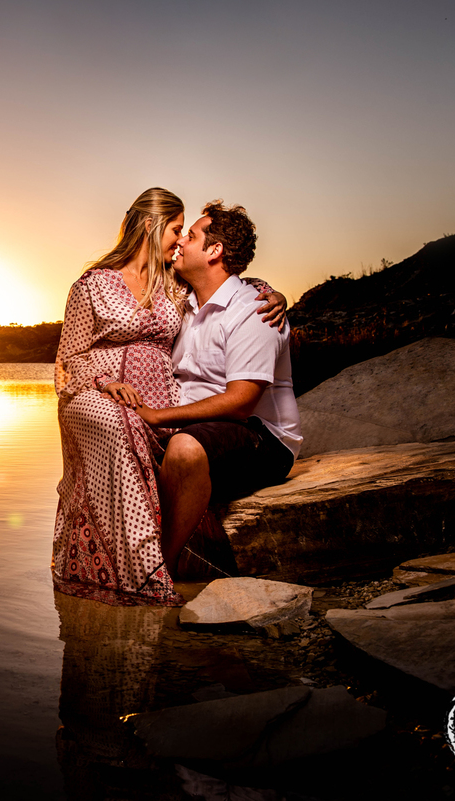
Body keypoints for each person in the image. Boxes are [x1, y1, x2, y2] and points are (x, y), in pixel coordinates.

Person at [53, 189, 285, 606]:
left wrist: (271, 292)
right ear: (150, 225)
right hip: (95, 392)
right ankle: (138, 572)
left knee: (157, 434)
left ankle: (155, 561)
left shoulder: (172, 282)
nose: (180, 240)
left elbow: (226, 279)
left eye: (186, 233)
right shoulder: (92, 285)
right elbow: (68, 360)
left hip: (164, 403)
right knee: (120, 423)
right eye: (177, 229)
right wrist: (105, 382)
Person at [135, 201, 302, 583]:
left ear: (215, 250)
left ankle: (164, 571)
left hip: (262, 438)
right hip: (203, 428)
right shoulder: (183, 304)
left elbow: (241, 402)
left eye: (190, 236)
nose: (180, 242)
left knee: (184, 449)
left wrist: (158, 417)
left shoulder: (254, 310)